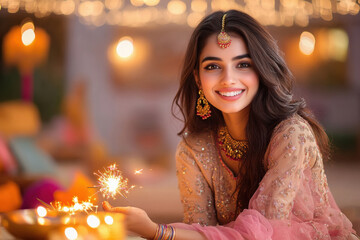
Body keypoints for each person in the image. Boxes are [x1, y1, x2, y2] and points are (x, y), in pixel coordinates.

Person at [103, 10, 358, 240]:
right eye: (213, 66)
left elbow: (261, 234)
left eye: (243, 64)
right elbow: (201, 231)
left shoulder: (291, 134)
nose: (228, 79)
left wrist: (157, 232)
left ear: (261, 70)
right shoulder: (194, 150)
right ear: (198, 78)